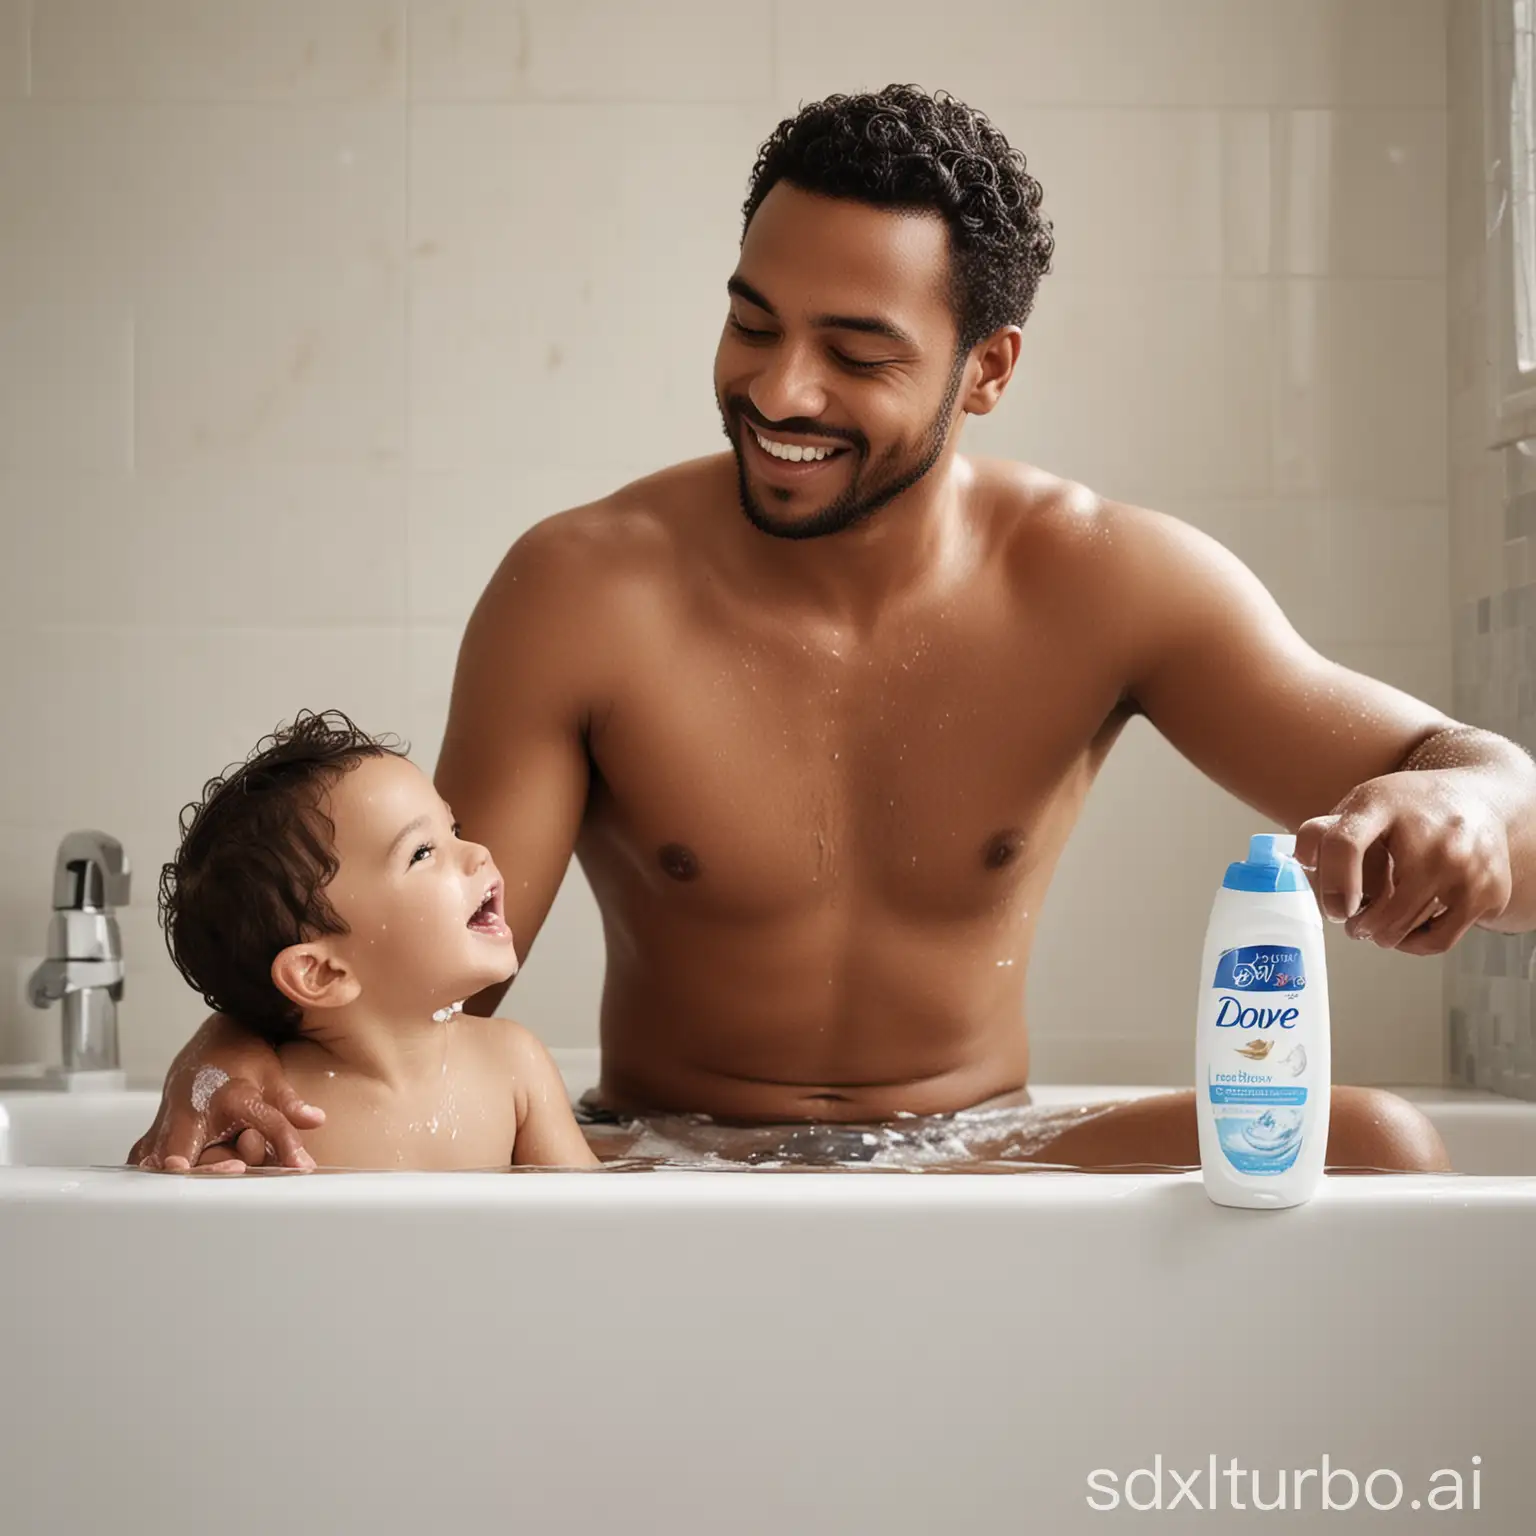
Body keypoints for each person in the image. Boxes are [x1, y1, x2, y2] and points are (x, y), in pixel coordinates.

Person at [134, 85, 1528, 1174]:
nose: (778, 391)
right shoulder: (582, 590)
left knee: (1381, 1146)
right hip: (658, 1154)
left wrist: (1470, 802)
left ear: (988, 370)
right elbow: (413, 985)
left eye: (858, 354)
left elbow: (1489, 796)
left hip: (984, 1154)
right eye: (753, 325)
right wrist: (222, 1058)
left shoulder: (1107, 581)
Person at [146, 710, 596, 1171]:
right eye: (422, 852)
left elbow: (595, 1219)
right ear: (324, 972)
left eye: (454, 830)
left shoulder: (514, 1064)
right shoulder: (277, 1114)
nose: (478, 852)